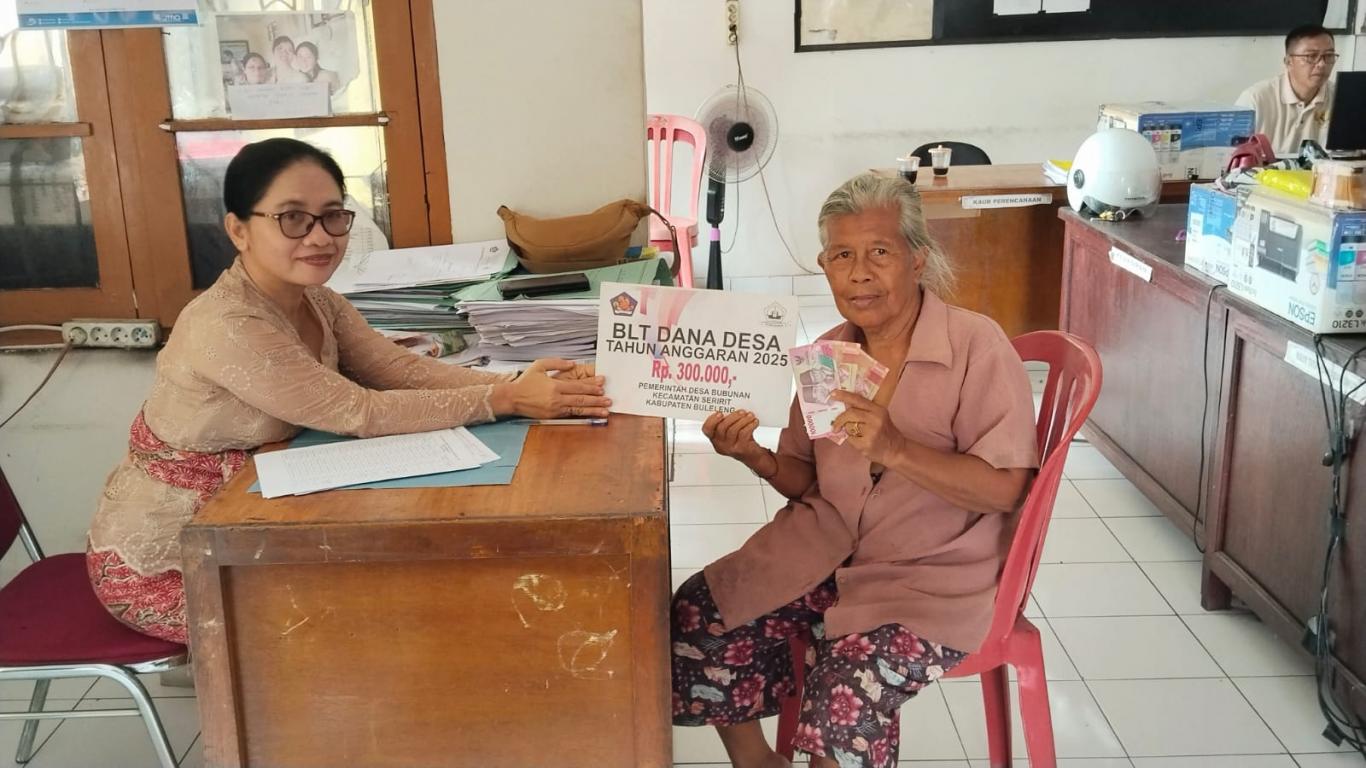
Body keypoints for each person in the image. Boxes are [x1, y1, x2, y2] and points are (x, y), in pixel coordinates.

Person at [86, 138, 610, 644]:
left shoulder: (317, 299)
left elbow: (396, 369)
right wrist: (508, 400)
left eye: (333, 216)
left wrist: (519, 383)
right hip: (174, 554)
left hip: (262, 519)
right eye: (293, 217)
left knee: (408, 593)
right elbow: (356, 410)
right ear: (238, 230)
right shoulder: (226, 323)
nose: (320, 237)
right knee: (351, 623)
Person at [670, 172, 1038, 768]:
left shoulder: (976, 345)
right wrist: (755, 457)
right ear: (824, 266)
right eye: (842, 255)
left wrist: (897, 449)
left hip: (930, 577)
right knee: (698, 613)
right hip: (826, 555)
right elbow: (805, 480)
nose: (859, 273)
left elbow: (1006, 489)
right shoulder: (828, 357)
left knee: (839, 702)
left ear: (918, 259)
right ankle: (758, 763)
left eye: (880, 252)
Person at [1237, 23, 1338, 154]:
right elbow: (1234, 157)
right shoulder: (1255, 99)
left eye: (1329, 56)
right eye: (1311, 56)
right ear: (1288, 62)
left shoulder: (1341, 99)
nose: (1322, 64)